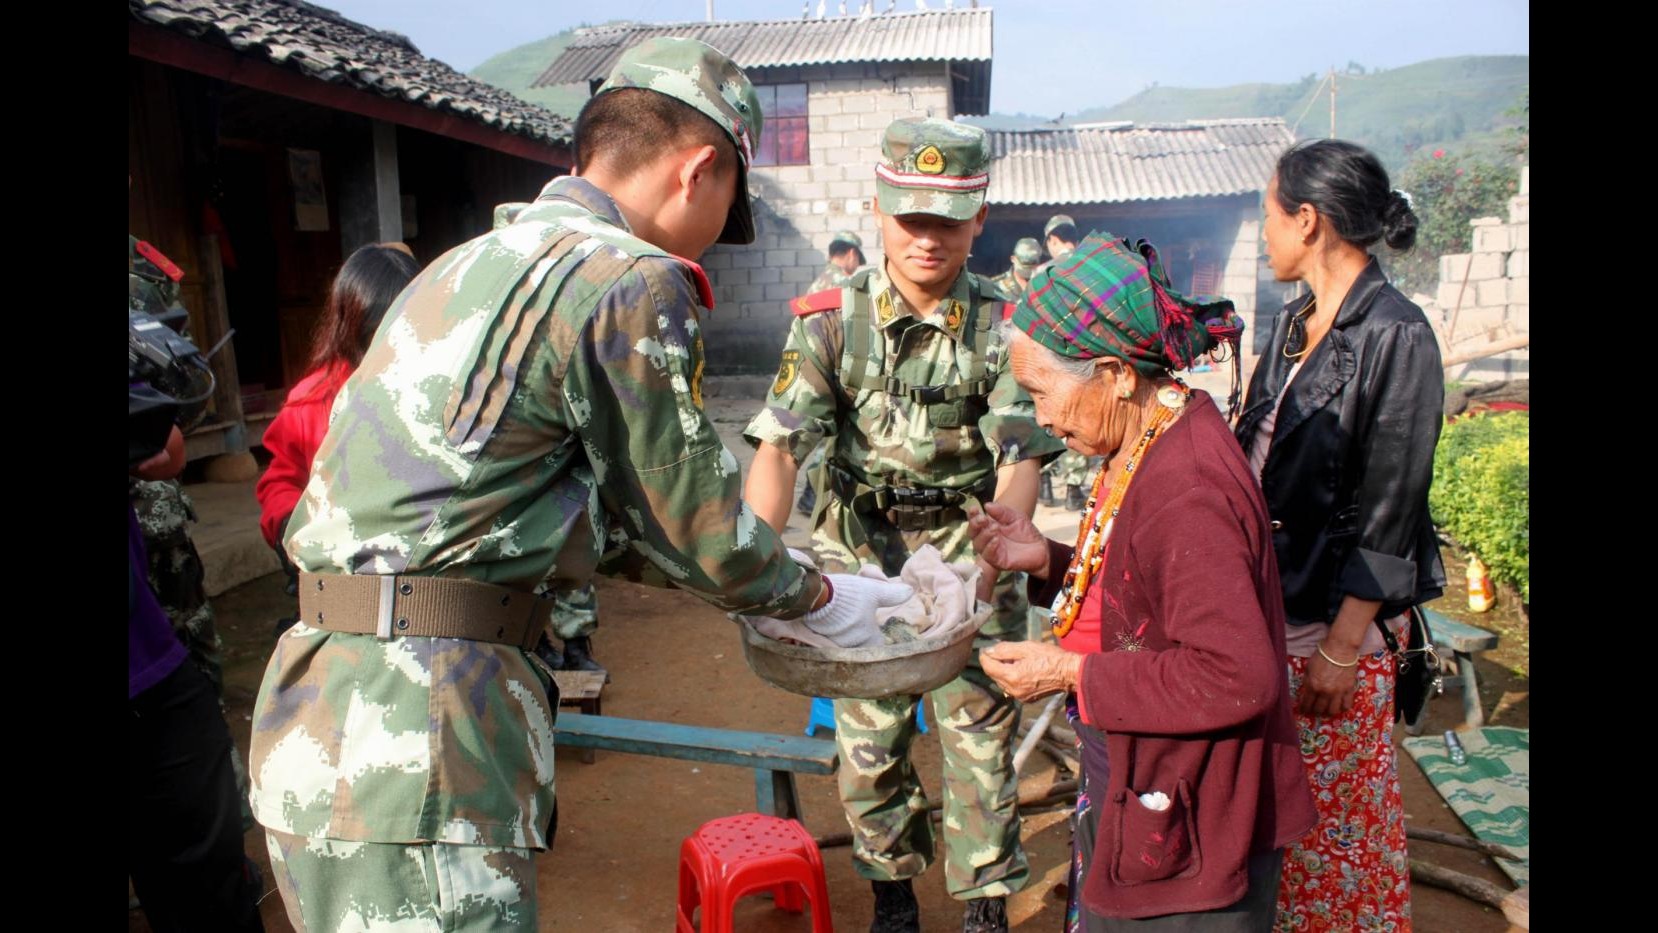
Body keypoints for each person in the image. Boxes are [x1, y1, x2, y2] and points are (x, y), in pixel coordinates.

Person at [247, 37, 911, 931]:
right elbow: (697, 527)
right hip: (422, 729)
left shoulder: (460, 265)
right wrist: (822, 594)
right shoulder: (623, 278)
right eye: (728, 205)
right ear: (700, 170)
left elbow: (567, 514)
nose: (719, 227)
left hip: (322, 709)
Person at [743, 116, 1065, 933]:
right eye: (910, 216)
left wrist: (993, 562)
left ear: (980, 217)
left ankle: (985, 902)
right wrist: (749, 563)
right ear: (879, 209)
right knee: (870, 742)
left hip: (971, 540)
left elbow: (1021, 454)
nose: (928, 237)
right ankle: (892, 894)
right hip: (862, 554)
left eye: (949, 218)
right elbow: (780, 449)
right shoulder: (829, 319)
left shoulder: (1004, 321)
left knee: (981, 736)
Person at [968, 231, 1316, 931]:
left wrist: (1070, 672)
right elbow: (1151, 593)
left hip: (1188, 808)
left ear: (1115, 373)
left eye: (1042, 390)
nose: (1038, 415)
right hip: (1148, 779)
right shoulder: (1153, 432)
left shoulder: (1185, 487)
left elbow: (1234, 673)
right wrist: (1048, 560)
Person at [1233, 138, 1447, 932]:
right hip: (1271, 607)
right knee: (1282, 820)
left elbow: (1393, 502)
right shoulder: (1295, 322)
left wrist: (1342, 645)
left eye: (1268, 215)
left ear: (1309, 220)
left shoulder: (1398, 335)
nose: (1264, 232)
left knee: (1337, 833)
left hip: (1330, 626)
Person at [991, 236, 1042, 301]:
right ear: (1013, 259)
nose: (1027, 272)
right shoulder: (996, 286)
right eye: (1023, 265)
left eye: (1032, 264)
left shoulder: (1046, 283)